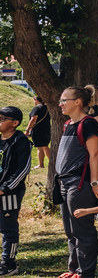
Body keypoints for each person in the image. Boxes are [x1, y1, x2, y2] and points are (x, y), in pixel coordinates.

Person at [57, 86, 98, 278]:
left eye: (64, 100)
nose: (60, 104)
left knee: (82, 230)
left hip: (80, 183)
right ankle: (73, 270)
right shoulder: (68, 124)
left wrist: (94, 182)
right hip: (64, 183)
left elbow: (95, 154)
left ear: (77, 102)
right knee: (70, 230)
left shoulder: (89, 123)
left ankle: (85, 272)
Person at [0, 106, 32, 276]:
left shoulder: (21, 141)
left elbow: (23, 169)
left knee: (8, 227)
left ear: (15, 123)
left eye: (2, 119)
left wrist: (5, 188)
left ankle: (9, 264)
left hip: (9, 194)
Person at [24, 96, 49, 169]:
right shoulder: (47, 108)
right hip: (47, 130)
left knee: (39, 148)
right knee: (45, 146)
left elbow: (33, 119)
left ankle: (41, 165)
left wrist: (27, 130)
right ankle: (52, 162)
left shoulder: (37, 108)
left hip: (38, 130)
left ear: (36, 100)